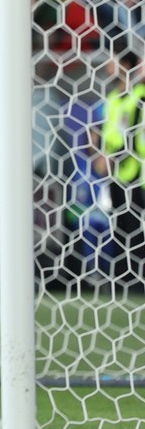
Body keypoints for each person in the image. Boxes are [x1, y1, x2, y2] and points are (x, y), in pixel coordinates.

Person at [92, 51, 145, 289]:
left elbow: (134, 132)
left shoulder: (140, 95)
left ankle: (136, 281)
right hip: (115, 172)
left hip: (135, 170)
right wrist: (100, 153)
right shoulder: (113, 97)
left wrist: (113, 157)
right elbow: (108, 130)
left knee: (135, 227)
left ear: (125, 64)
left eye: (113, 61)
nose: (107, 65)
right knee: (119, 225)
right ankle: (123, 278)